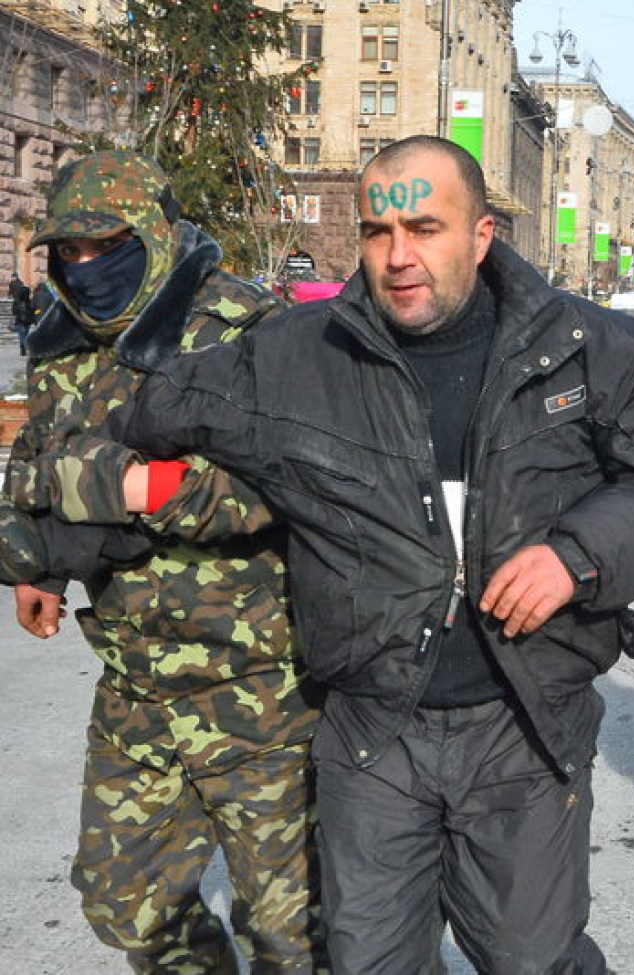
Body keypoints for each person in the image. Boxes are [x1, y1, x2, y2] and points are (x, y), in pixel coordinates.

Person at [47, 136, 634, 974]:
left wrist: (576, 556)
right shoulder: (297, 353)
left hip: (522, 724)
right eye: (377, 232)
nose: (398, 256)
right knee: (371, 964)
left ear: (482, 236)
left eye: (424, 227)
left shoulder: (596, 349)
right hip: (372, 733)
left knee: (530, 957)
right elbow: (141, 417)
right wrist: (81, 523)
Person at [0, 151, 326, 971]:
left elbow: (280, 483)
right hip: (137, 684)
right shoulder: (60, 341)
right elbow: (36, 462)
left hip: (261, 688)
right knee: (124, 899)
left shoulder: (244, 329)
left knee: (293, 932)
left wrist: (119, 485)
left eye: (104, 245)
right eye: (66, 252)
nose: (84, 267)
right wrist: (47, 568)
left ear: (153, 230)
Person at [7, 272, 33, 353]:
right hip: (27, 321)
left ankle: (24, 347)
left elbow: (14, 312)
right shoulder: (30, 302)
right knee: (25, 333)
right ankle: (25, 348)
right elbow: (32, 311)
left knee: (21, 335)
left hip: (20, 320)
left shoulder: (16, 303)